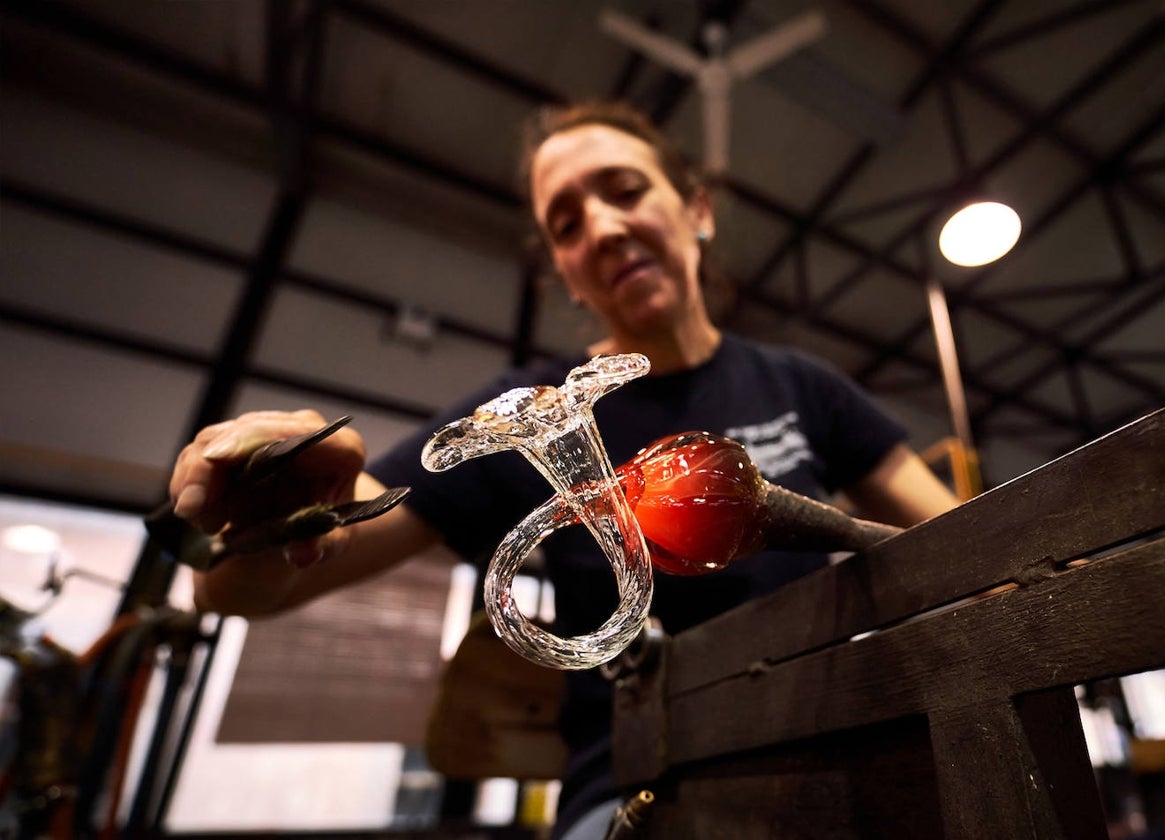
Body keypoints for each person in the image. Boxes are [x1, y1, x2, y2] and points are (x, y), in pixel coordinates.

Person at [170, 100, 960, 839]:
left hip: (830, 738)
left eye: (625, 190)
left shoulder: (803, 385)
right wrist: (267, 528)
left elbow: (960, 538)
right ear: (566, 272)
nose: (605, 228)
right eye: (568, 222)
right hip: (635, 780)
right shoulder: (518, 409)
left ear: (698, 211)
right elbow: (250, 589)